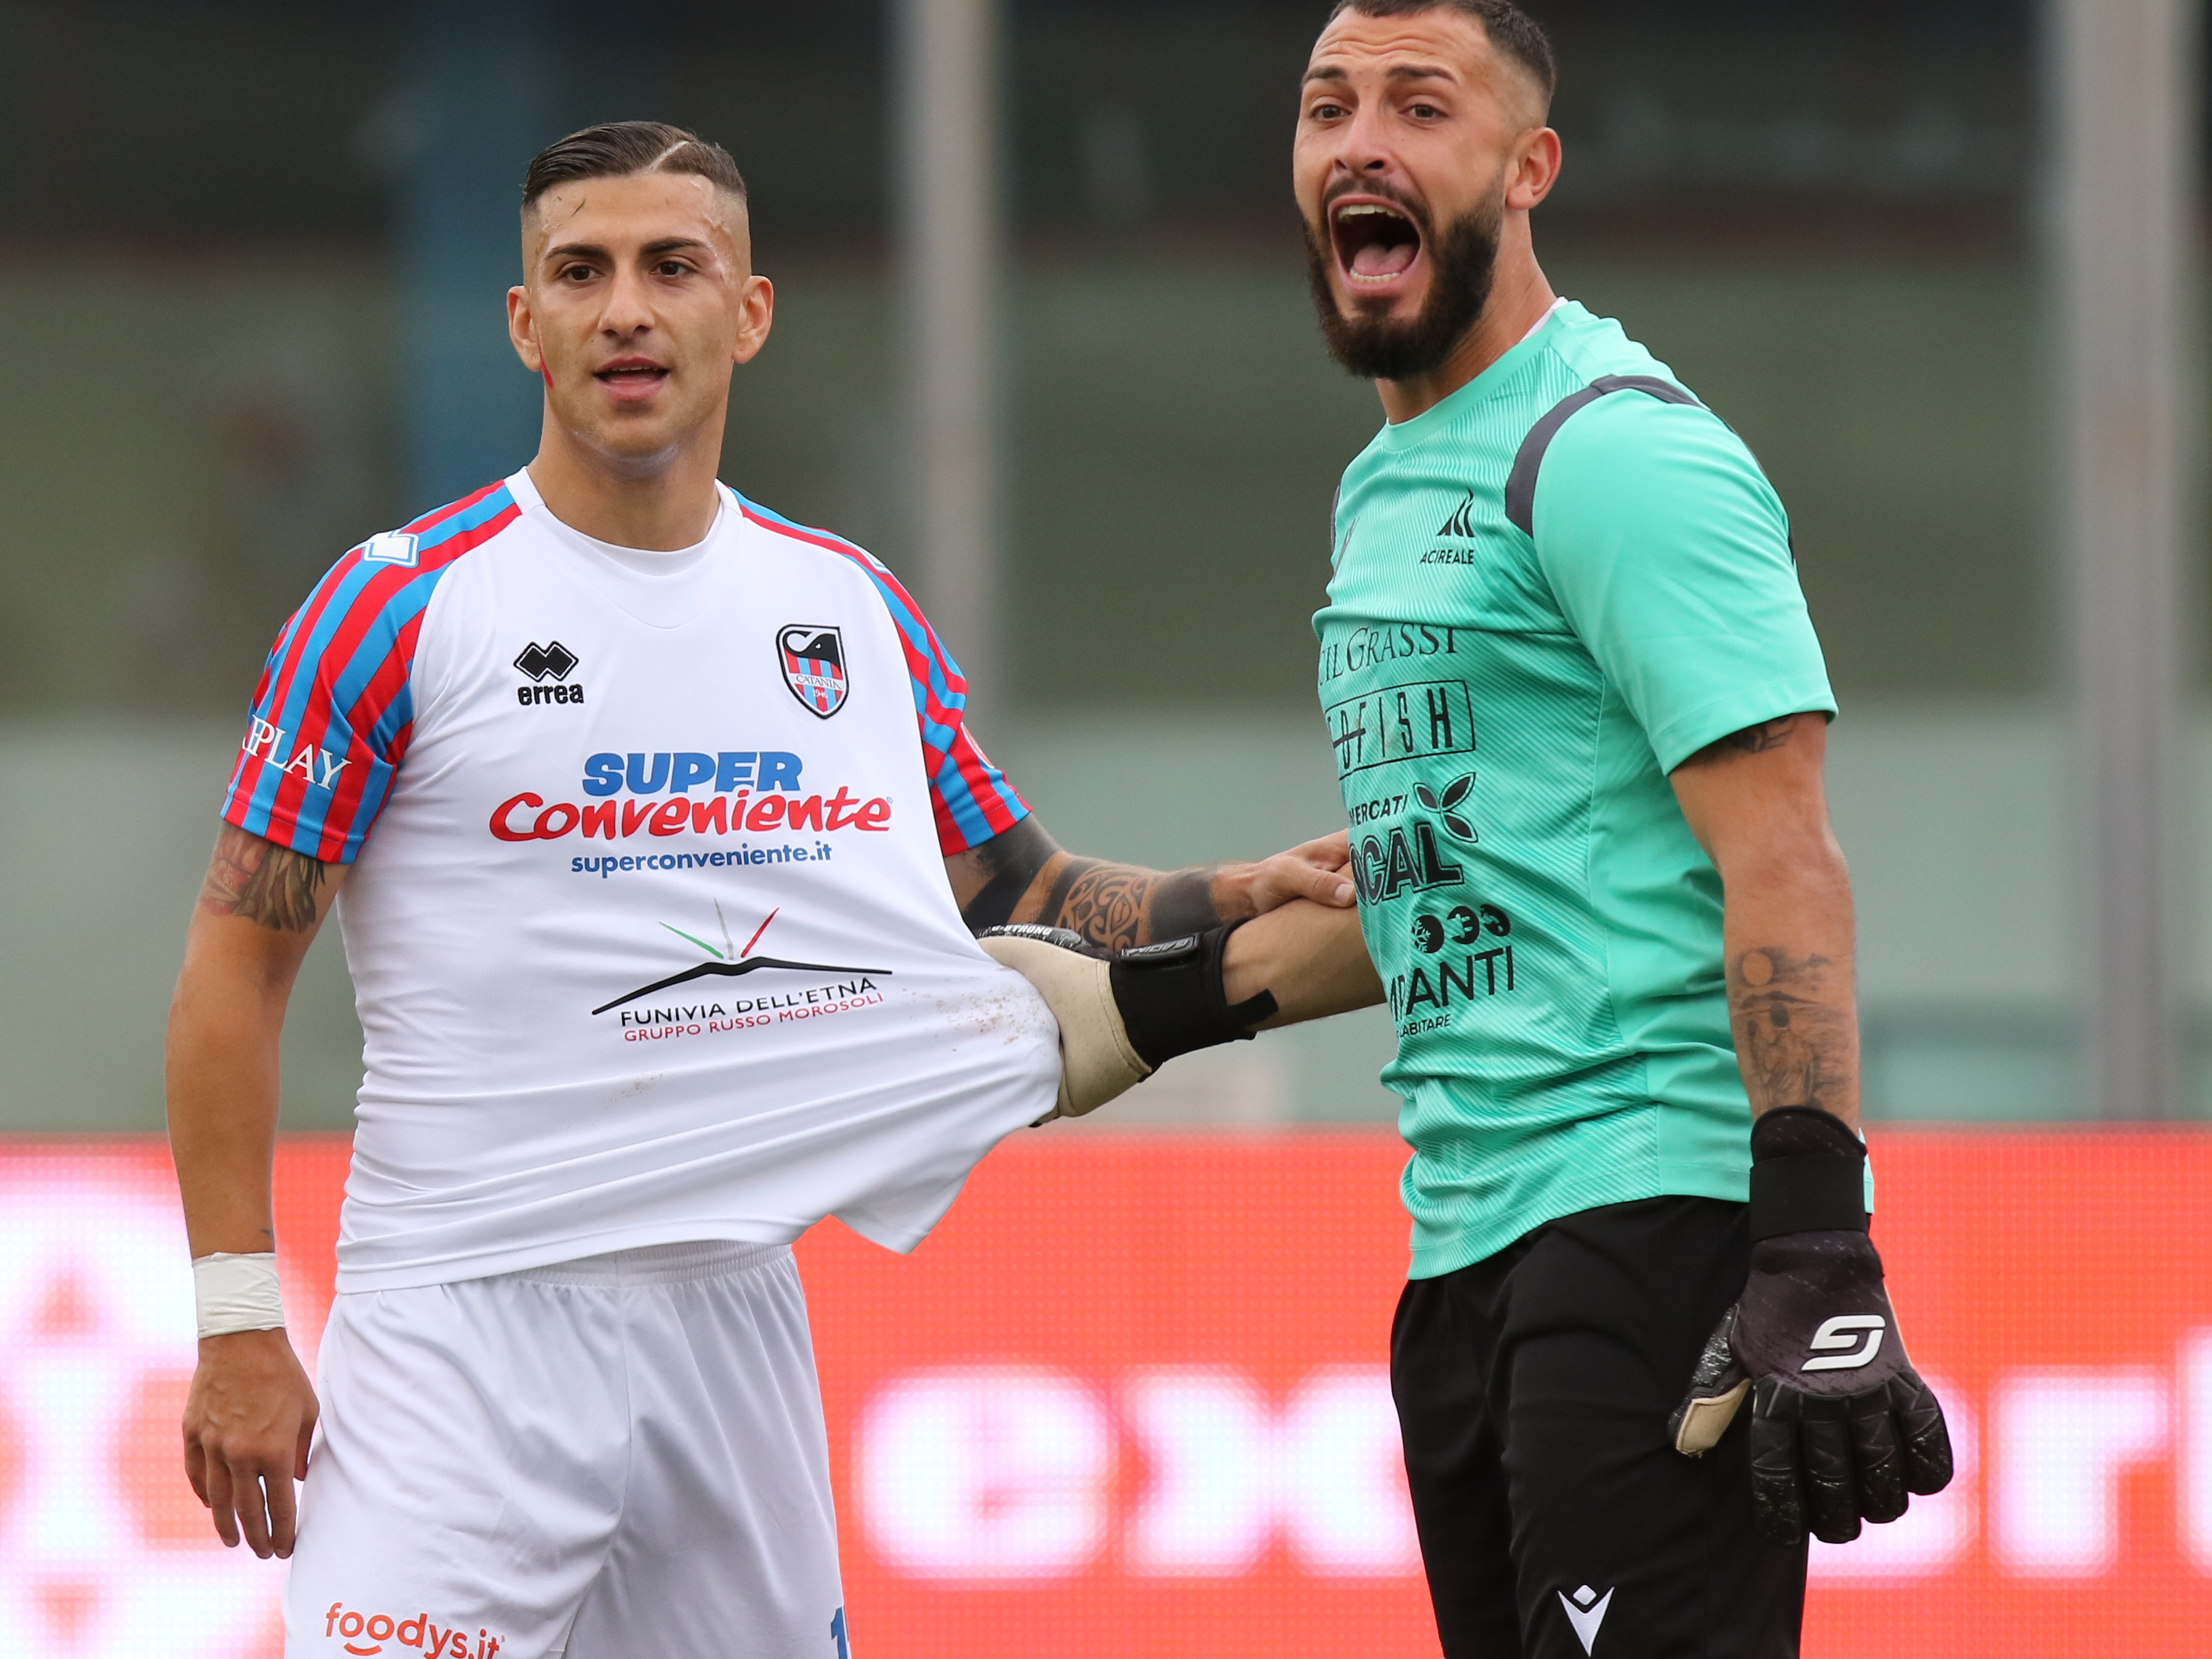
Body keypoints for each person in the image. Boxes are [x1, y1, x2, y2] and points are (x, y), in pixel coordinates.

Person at [166, 120, 1361, 1658]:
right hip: (462, 1325)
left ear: (750, 311)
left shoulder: (844, 607)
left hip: (733, 1310)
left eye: (674, 267)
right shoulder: (397, 604)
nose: (626, 312)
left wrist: (1223, 881)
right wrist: (236, 1317)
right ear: (524, 323)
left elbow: (1025, 895)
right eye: (580, 273)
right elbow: (230, 973)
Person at [992, 5, 1956, 1656]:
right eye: (1323, 108)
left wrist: (1812, 1236)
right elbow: (1463, 882)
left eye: (1415, 107)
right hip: (1462, 1247)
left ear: (1525, 171)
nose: (1356, 141)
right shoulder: (1383, 485)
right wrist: (1146, 1007)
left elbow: (1781, 856)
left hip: (1645, 1226)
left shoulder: (1612, 453)